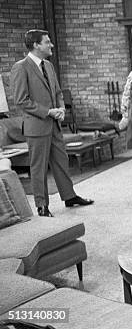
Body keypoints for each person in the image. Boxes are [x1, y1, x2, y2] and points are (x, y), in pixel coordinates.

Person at [11, 29, 94, 217]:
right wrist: (48, 111)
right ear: (36, 45)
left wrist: (61, 108)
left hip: (55, 124)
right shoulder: (21, 67)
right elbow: (21, 100)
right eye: (47, 42)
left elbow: (57, 91)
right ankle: (41, 205)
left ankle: (70, 196)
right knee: (39, 167)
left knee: (61, 162)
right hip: (37, 126)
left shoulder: (48, 65)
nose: (51, 45)